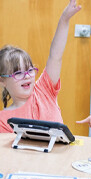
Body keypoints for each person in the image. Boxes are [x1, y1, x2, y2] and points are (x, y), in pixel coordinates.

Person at [0, 0, 81, 133]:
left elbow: (55, 56)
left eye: (30, 70)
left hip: (60, 153)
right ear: (2, 81)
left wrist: (64, 20)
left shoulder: (45, 89)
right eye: (18, 73)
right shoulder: (3, 120)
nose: (26, 76)